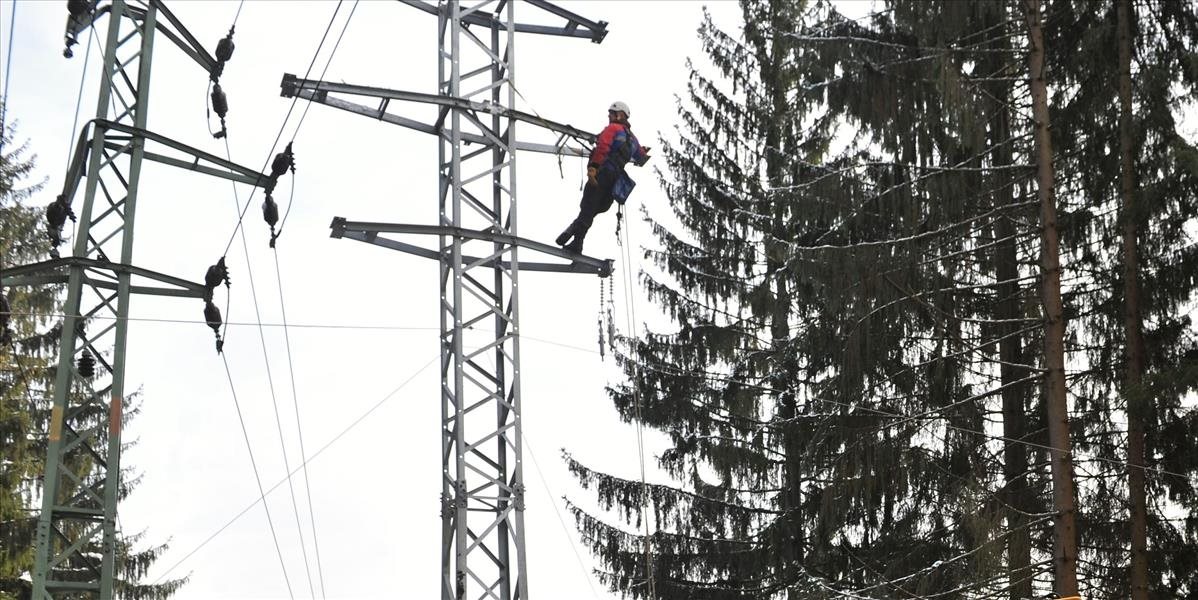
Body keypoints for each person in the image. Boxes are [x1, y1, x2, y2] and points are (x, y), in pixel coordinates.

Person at [556, 101, 651, 254]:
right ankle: (573, 231)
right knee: (595, 208)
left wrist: (593, 167)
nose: (609, 116)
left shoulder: (613, 128)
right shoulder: (633, 139)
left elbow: (603, 147)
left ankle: (577, 242)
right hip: (615, 181)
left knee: (588, 206)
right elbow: (641, 157)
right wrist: (643, 151)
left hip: (603, 174)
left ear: (619, 115)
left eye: (611, 113)